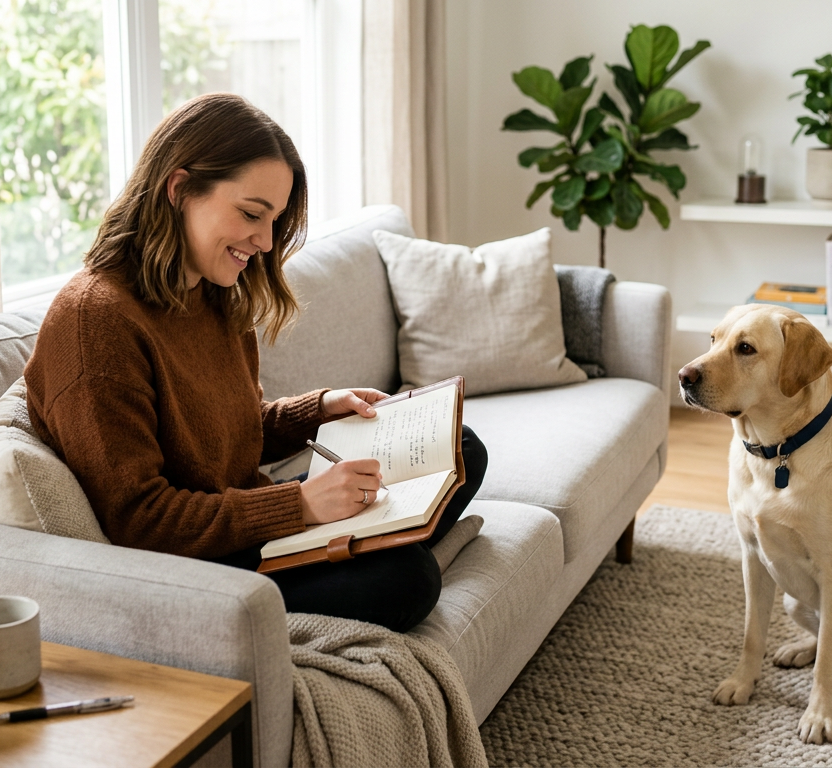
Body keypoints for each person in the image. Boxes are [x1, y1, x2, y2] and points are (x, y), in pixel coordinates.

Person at [24, 93, 486, 633]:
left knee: (461, 446)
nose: (265, 243)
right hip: (200, 563)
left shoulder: (211, 289)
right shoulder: (95, 322)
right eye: (251, 215)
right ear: (179, 189)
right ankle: (386, 547)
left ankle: (378, 540)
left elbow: (231, 433)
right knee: (409, 579)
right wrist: (301, 507)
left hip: (249, 522)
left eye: (275, 221)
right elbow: (139, 519)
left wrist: (321, 410)